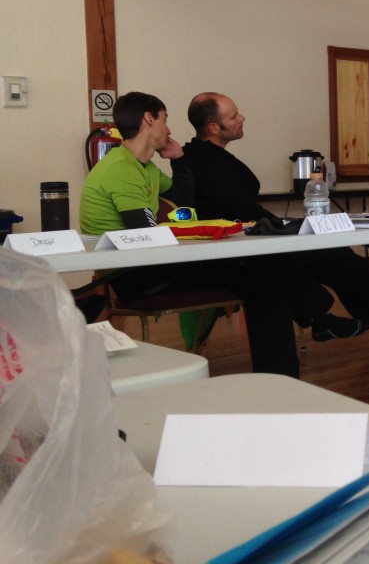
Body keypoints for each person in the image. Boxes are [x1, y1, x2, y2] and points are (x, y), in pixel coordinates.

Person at [181, 92, 369, 349]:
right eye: (234, 116)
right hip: (241, 248)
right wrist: (286, 226)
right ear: (213, 127)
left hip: (255, 235)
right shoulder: (201, 160)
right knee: (334, 257)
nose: (242, 118)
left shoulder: (207, 156)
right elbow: (241, 210)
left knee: (334, 257)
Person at [79, 91, 302, 377]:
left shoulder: (143, 167)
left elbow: (184, 202)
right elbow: (145, 233)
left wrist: (180, 159)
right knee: (261, 274)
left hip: (152, 265)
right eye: (165, 119)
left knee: (263, 272)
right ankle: (280, 371)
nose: (169, 129)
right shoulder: (120, 168)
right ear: (149, 119)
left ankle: (279, 372)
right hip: (133, 275)